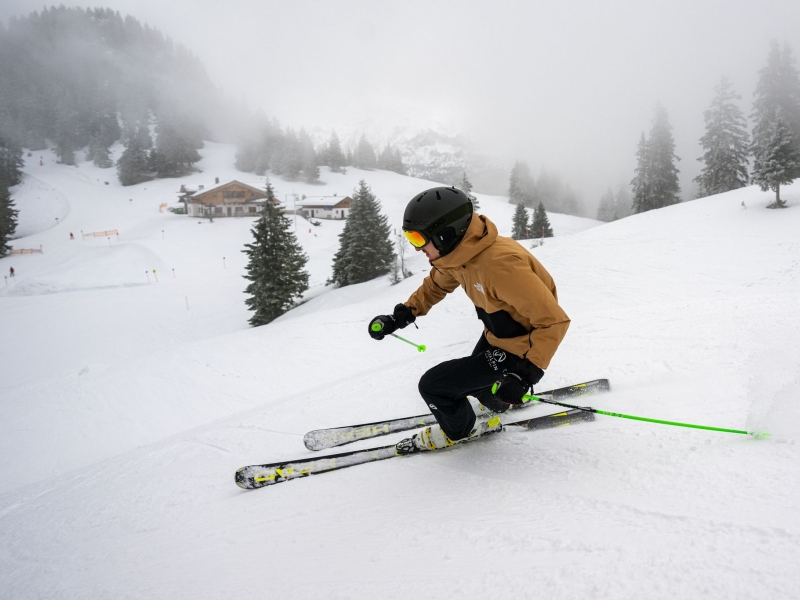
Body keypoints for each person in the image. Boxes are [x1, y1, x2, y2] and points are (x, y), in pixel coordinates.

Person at [369, 186, 570, 452]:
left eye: (418, 238)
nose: (417, 248)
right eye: (410, 238)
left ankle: (461, 431)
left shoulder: (500, 266)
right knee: (478, 383)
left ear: (444, 234)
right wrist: (402, 315)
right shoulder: (459, 254)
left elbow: (553, 321)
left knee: (434, 386)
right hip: (498, 334)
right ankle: (500, 402)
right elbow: (436, 284)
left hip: (521, 347)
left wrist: (524, 375)